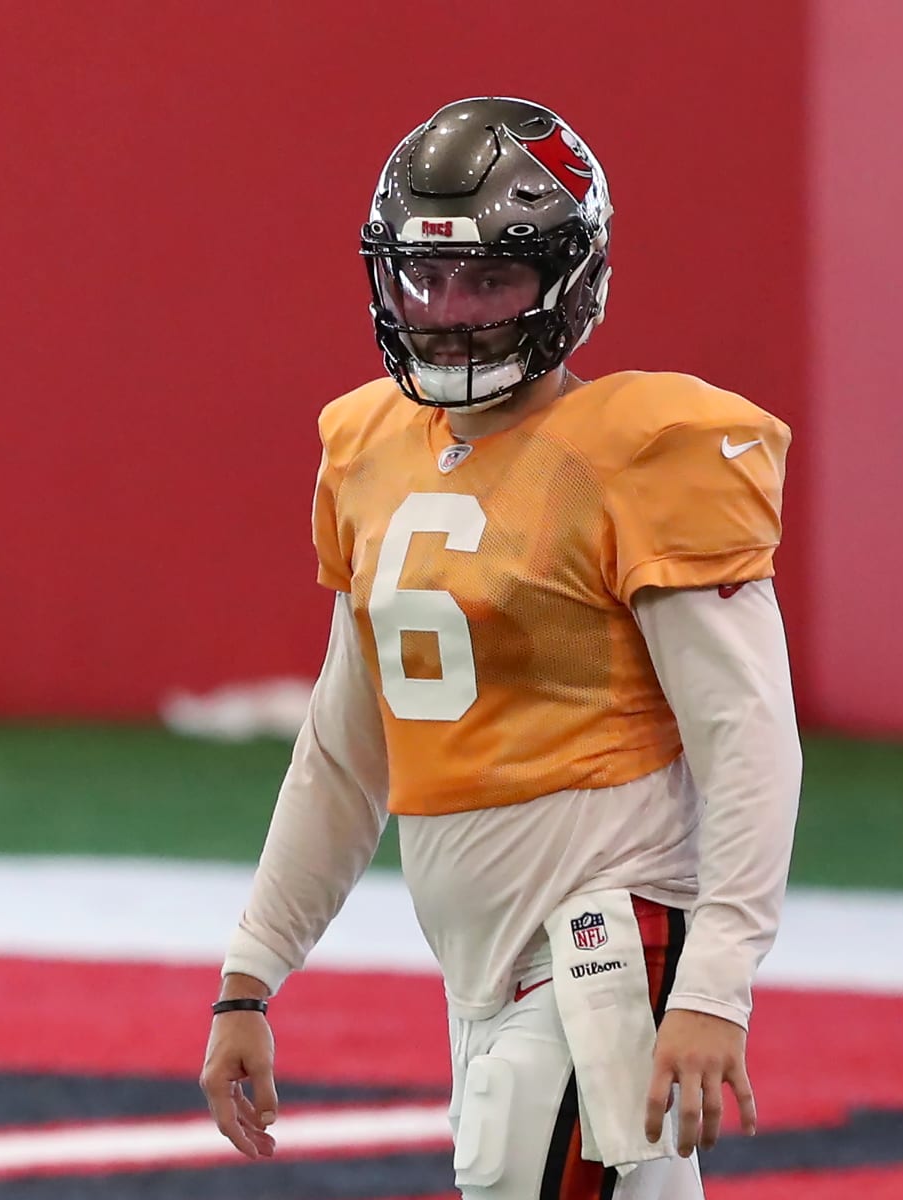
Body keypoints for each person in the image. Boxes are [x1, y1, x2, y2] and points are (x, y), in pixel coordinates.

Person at [199, 97, 801, 1199]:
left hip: (603, 933)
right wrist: (251, 973)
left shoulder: (642, 450)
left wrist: (717, 982)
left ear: (572, 281)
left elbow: (749, 735)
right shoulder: (368, 445)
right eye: (424, 278)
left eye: (492, 279)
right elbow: (346, 746)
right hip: (478, 969)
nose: (449, 313)